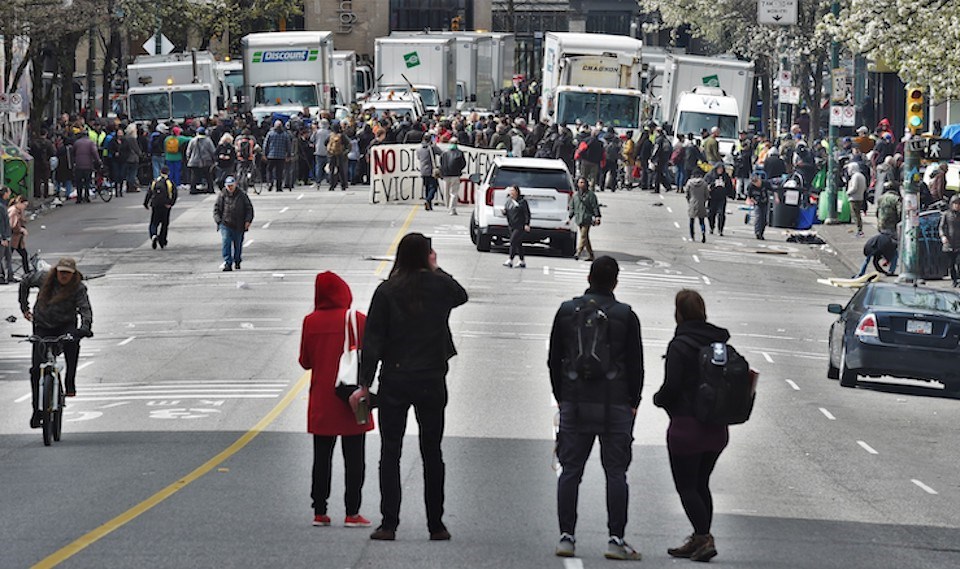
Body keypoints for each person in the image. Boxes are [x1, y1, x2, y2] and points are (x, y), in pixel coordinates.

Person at [353, 233, 468, 542]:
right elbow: (461, 295)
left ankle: (389, 522)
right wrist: (436, 269)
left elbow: (373, 341)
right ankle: (436, 524)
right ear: (426, 257)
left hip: (396, 378)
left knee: (390, 452)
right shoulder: (440, 286)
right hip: (431, 377)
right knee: (432, 451)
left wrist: (365, 383)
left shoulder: (387, 291)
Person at [547, 256, 644, 561]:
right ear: (616, 281)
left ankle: (567, 536)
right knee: (616, 472)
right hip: (615, 403)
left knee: (571, 470)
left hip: (575, 400)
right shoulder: (626, 316)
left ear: (589, 277)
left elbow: (554, 358)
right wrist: (633, 402)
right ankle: (615, 539)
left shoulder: (566, 311)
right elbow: (636, 365)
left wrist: (561, 396)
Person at [653, 289, 728, 563]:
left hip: (686, 427)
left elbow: (671, 387)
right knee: (701, 484)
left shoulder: (680, 344)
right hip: (717, 428)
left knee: (686, 487)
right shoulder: (719, 343)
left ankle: (704, 537)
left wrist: (658, 400)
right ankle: (698, 539)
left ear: (679, 313)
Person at [300, 271, 374, 528]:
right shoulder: (356, 320)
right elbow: (373, 354)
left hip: (322, 399)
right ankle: (352, 512)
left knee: (321, 458)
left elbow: (305, 362)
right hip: (354, 400)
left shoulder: (310, 321)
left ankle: (319, 511)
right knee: (355, 458)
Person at [19, 257, 93, 427]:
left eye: (68, 274)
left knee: (73, 343)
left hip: (65, 324)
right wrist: (24, 307)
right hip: (42, 325)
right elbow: (24, 282)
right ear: (56, 271)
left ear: (73, 274)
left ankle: (70, 381)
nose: (64, 276)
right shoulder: (43, 278)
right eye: (61, 272)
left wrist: (85, 327)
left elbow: (85, 308)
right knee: (36, 370)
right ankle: (37, 411)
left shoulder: (78, 287)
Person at [213, 176, 254, 271]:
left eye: (232, 185)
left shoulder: (242, 195)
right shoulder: (222, 195)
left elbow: (249, 209)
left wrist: (248, 221)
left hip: (239, 225)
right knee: (226, 242)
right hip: (225, 224)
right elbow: (216, 209)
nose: (230, 188)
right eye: (228, 186)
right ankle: (228, 262)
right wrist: (218, 221)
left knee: (238, 245)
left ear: (235, 184)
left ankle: (237, 260)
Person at [567, 176, 601, 261]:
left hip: (587, 218)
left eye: (583, 182)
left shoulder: (591, 195)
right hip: (579, 218)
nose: (581, 184)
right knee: (585, 238)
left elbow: (595, 206)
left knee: (583, 235)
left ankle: (578, 252)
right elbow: (572, 207)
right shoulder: (575, 196)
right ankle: (591, 255)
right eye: (580, 182)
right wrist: (569, 218)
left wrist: (597, 217)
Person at [144, 166, 178, 250]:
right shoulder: (170, 182)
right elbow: (174, 194)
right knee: (165, 224)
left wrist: (146, 203)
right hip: (166, 206)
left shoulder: (155, 182)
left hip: (155, 205)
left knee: (154, 222)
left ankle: (153, 235)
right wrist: (171, 203)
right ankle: (162, 240)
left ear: (160, 172)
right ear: (168, 173)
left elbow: (149, 193)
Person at [502, 185, 531, 268]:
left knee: (513, 241)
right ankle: (522, 261)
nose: (511, 192)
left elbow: (527, 213)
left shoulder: (522, 202)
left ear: (517, 192)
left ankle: (510, 260)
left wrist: (527, 224)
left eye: (513, 191)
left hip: (520, 226)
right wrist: (504, 212)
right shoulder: (508, 201)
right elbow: (507, 211)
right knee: (518, 243)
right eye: (510, 191)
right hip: (511, 225)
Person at [704, 163, 733, 236]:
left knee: (721, 214)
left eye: (721, 169)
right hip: (712, 197)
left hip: (721, 198)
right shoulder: (710, 175)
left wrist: (730, 193)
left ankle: (720, 229)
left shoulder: (725, 176)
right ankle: (711, 227)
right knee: (710, 214)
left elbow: (730, 186)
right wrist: (712, 185)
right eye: (719, 169)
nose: (720, 170)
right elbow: (705, 185)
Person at [439, 137, 467, 215]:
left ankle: (448, 206)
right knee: (453, 193)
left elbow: (441, 163)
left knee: (446, 192)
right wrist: (458, 169)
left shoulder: (444, 153)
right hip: (455, 175)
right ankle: (452, 208)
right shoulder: (460, 153)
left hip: (446, 175)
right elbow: (463, 164)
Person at [72, 133, 101, 203]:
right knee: (87, 181)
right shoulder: (91, 143)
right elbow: (94, 152)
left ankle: (79, 198)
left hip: (78, 165)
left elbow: (73, 152)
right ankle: (86, 196)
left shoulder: (76, 143)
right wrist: (98, 160)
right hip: (88, 165)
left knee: (79, 182)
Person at [186, 127, 217, 195]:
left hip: (194, 161)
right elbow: (212, 151)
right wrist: (214, 160)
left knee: (194, 176)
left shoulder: (192, 140)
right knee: (208, 176)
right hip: (206, 161)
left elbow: (188, 151)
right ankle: (210, 189)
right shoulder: (208, 140)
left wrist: (189, 159)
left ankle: (193, 189)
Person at [263, 120, 291, 192]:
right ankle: (279, 187)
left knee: (269, 170)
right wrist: (288, 155)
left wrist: (264, 154)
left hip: (271, 155)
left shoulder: (270, 134)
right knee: (279, 172)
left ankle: (270, 183)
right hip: (281, 156)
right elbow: (288, 145)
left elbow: (266, 144)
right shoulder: (285, 135)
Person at [416, 133, 441, 211]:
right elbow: (440, 152)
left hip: (423, 170)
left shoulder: (419, 148)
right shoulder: (432, 147)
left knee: (427, 187)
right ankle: (428, 199)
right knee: (434, 187)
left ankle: (428, 205)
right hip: (431, 170)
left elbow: (419, 157)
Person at [940, 195, 960, 286]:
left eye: (958, 204)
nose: (957, 206)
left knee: (958, 263)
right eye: (955, 204)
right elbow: (941, 227)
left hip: (958, 243)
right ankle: (954, 280)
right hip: (949, 243)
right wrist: (943, 236)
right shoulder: (946, 214)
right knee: (951, 264)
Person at [685, 169, 709, 243]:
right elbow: (707, 195)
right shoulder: (704, 183)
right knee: (702, 221)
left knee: (692, 221)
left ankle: (692, 236)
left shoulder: (689, 183)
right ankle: (703, 232)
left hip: (692, 203)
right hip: (701, 203)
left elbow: (687, 194)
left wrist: (689, 201)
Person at [746, 174, 771, 240]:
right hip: (757, 203)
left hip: (765, 202)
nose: (757, 184)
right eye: (755, 183)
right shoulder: (751, 186)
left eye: (758, 182)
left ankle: (761, 232)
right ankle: (757, 232)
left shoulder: (765, 183)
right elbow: (749, 196)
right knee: (758, 216)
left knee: (764, 218)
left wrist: (776, 198)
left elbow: (773, 190)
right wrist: (752, 201)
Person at [8, 196, 29, 271]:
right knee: (7, 256)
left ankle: (27, 272)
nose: (25, 207)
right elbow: (12, 225)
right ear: (20, 203)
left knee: (24, 255)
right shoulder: (13, 211)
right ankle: (7, 274)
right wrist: (21, 230)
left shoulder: (19, 210)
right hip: (13, 238)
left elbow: (22, 221)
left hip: (18, 239)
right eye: (24, 205)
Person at [846, 161, 867, 237]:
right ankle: (858, 230)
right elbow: (864, 187)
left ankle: (859, 231)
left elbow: (854, 187)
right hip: (860, 197)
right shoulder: (861, 175)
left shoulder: (855, 176)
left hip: (854, 198)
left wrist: (848, 192)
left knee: (855, 215)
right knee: (858, 214)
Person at [327, 124, 349, 192]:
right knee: (341, 170)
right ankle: (343, 185)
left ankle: (332, 185)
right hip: (340, 154)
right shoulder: (341, 136)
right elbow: (347, 143)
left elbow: (325, 142)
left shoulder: (330, 136)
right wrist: (344, 150)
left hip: (331, 154)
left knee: (332, 170)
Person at [0, 186, 12, 284]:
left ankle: (10, 275)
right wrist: (3, 237)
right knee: (1, 257)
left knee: (8, 256)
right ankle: (1, 276)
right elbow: (1, 223)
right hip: (3, 237)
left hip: (7, 236)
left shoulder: (3, 205)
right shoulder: (1, 206)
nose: (10, 194)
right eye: (8, 192)